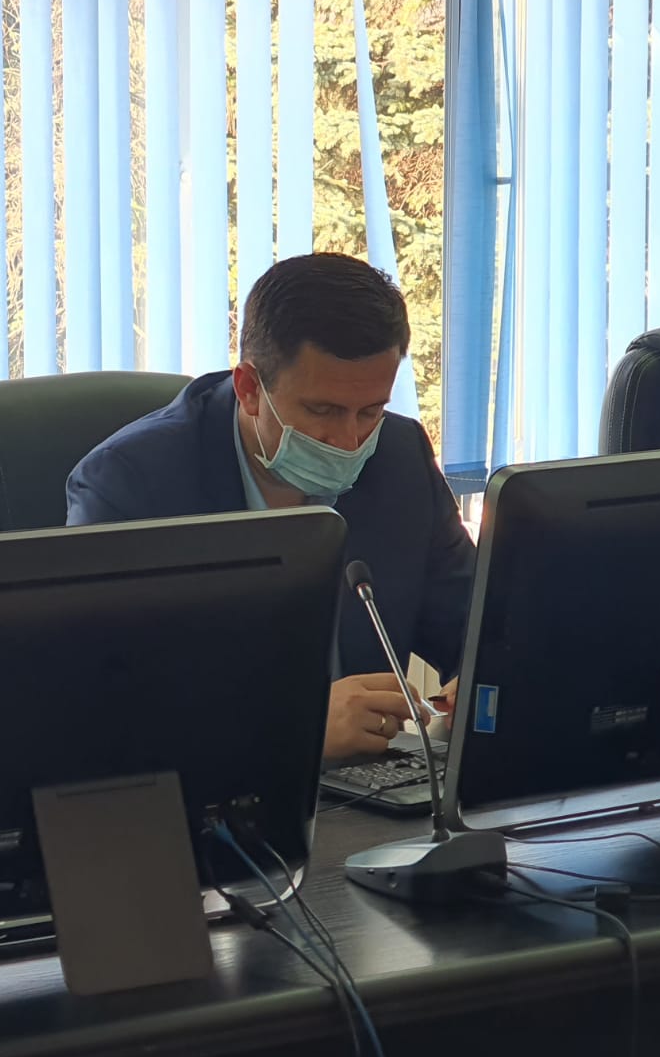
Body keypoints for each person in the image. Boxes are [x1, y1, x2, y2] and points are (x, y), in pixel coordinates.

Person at [67, 253, 474, 760]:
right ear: (249, 389)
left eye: (370, 411)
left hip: (369, 785)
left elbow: (477, 627)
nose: (349, 440)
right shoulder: (129, 485)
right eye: (323, 410)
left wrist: (482, 679)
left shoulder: (399, 457)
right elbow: (104, 708)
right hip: (211, 793)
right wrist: (292, 728)